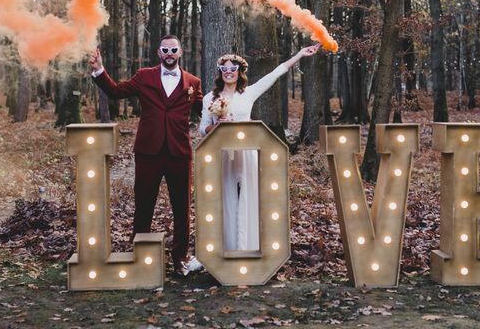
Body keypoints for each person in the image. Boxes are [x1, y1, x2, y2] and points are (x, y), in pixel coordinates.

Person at [89, 35, 204, 275]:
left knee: (182, 209)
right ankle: (138, 257)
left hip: (179, 153)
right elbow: (116, 92)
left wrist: (228, 106)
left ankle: (180, 259)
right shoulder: (144, 76)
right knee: (144, 205)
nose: (170, 53)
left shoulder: (193, 82)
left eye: (174, 49)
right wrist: (100, 71)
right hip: (148, 152)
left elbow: (206, 110)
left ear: (180, 52)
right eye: (165, 49)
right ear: (159, 52)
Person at [199, 44, 319, 251]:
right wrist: (216, 126)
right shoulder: (210, 98)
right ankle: (227, 248)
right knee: (225, 199)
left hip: (246, 152)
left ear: (239, 72)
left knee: (248, 198)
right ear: (220, 72)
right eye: (224, 69)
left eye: (233, 69)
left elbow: (276, 73)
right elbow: (202, 130)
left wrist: (299, 54)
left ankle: (247, 246)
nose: (228, 72)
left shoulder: (249, 93)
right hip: (221, 153)